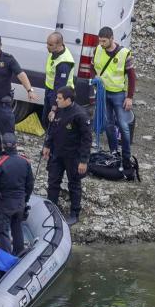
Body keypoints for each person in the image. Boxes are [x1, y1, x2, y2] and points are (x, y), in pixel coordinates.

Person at [42, 85, 92, 225]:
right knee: (53, 181)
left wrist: (83, 160)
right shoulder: (59, 110)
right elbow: (52, 129)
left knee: (74, 184)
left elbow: (87, 139)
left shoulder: (80, 115)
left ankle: (74, 213)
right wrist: (47, 145)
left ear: (68, 100)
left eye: (59, 98)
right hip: (57, 153)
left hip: (73, 156)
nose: (56, 101)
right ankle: (51, 208)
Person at [92, 26, 136, 170]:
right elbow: (93, 66)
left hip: (118, 94)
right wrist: (95, 79)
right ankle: (114, 152)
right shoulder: (98, 49)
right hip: (103, 93)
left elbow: (132, 76)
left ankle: (126, 156)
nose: (101, 44)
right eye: (100, 41)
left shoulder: (124, 54)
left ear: (112, 38)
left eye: (104, 41)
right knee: (108, 124)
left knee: (123, 126)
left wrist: (129, 97)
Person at [0, 132, 35, 255]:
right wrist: (25, 199)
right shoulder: (25, 162)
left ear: (3, 146)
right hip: (20, 202)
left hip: (5, 203)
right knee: (17, 227)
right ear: (16, 145)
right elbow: (30, 184)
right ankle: (19, 251)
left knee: (2, 230)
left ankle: (6, 257)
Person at [43, 31, 76, 127]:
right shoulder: (55, 51)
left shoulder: (63, 64)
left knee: (53, 122)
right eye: (47, 43)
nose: (47, 46)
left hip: (62, 94)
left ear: (59, 45)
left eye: (50, 45)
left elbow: (60, 88)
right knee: (45, 120)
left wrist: (54, 108)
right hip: (50, 89)